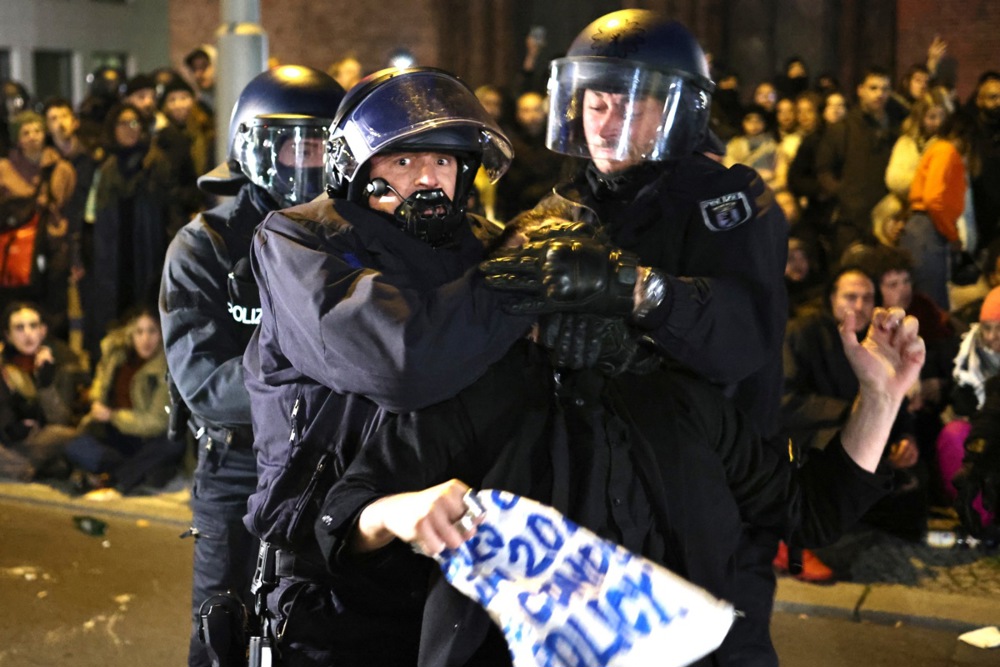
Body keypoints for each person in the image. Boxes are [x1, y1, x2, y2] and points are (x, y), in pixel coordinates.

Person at [316, 302, 923, 666]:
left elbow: (808, 510)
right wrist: (398, 511)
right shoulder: (470, 399)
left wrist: (879, 398)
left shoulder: (682, 402)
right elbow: (344, 515)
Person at [243, 66, 525, 666]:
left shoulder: (488, 247)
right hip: (331, 571)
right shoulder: (300, 240)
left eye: (443, 161)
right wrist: (518, 287)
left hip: (461, 561)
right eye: (403, 161)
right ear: (357, 167)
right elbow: (400, 362)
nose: (427, 178)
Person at [159, 64, 346, 667]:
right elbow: (205, 385)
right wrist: (321, 380)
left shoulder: (352, 238)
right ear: (256, 148)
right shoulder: (204, 246)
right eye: (292, 145)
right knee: (223, 625)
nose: (306, 163)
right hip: (238, 463)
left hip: (335, 460)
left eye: (320, 146)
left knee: (324, 626)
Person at [83, 103, 175, 365]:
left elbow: (171, 211)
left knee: (148, 319)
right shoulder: (106, 168)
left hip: (149, 255)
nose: (129, 129)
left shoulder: (156, 162)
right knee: (113, 323)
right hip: (112, 260)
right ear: (112, 129)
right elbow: (90, 218)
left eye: (134, 123)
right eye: (122, 123)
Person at [64, 305, 178, 500]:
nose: (146, 339)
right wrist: (96, 403)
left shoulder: (166, 367)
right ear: (130, 334)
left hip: (146, 438)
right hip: (116, 436)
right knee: (74, 445)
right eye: (139, 332)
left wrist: (112, 416)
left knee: (173, 443)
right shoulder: (117, 357)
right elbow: (99, 387)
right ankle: (139, 472)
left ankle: (116, 482)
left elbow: (157, 422)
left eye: (152, 331)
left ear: (161, 333)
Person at [0, 110, 77, 336]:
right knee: (12, 310)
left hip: (53, 249)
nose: (32, 136)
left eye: (37, 130)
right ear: (17, 138)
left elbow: (71, 212)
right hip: (15, 252)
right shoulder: (4, 169)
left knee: (53, 310)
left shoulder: (62, 168)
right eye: (26, 132)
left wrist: (75, 257)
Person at [816, 66, 897, 258]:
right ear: (860, 90)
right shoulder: (842, 128)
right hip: (850, 222)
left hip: (885, 218)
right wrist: (845, 196)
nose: (879, 94)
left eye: (885, 89)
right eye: (873, 88)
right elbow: (823, 170)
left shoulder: (895, 127)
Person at [0, 301, 84, 481]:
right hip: (7, 443)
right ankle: (30, 469)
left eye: (33, 326)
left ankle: (28, 469)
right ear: (8, 335)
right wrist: (11, 427)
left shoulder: (60, 361)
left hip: (39, 441)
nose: (28, 334)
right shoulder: (4, 365)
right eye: (19, 328)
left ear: (43, 330)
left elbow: (60, 420)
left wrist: (45, 383)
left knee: (65, 436)